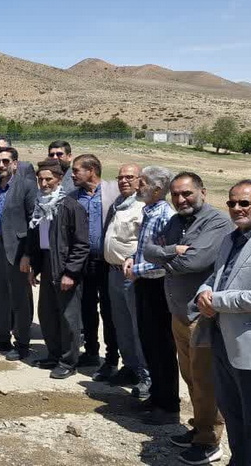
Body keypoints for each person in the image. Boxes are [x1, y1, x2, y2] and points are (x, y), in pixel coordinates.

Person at [193, 180, 251, 466]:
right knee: (231, 409)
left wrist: (216, 301)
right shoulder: (230, 239)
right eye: (232, 203)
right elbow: (217, 277)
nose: (236, 208)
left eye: (244, 203)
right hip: (223, 338)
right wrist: (202, 293)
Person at [142, 172, 230, 456]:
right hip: (178, 313)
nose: (181, 200)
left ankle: (209, 440)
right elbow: (148, 249)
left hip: (200, 316)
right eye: (176, 194)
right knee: (191, 377)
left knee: (205, 381)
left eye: (187, 193)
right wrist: (172, 251)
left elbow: (194, 261)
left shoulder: (216, 222)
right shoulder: (176, 221)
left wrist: (165, 258)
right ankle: (199, 427)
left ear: (202, 192)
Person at [122, 166, 180, 431]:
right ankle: (156, 398)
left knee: (162, 348)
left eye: (143, 182)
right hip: (144, 283)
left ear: (157, 189)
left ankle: (168, 407)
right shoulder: (149, 211)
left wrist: (137, 268)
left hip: (157, 286)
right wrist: (132, 259)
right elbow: (145, 248)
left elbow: (165, 258)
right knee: (149, 343)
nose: (138, 186)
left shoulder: (166, 215)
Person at [24, 159, 89, 379]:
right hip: (46, 264)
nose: (44, 184)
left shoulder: (71, 207)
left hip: (65, 268)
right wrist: (34, 267)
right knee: (47, 313)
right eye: (40, 179)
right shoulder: (40, 205)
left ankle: (68, 361)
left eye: (48, 179)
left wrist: (71, 272)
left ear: (60, 179)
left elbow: (81, 244)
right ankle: (53, 355)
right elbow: (37, 240)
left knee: (68, 317)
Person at [0, 146, 37, 360]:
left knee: (19, 297)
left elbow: (33, 221)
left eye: (5, 161)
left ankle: (22, 343)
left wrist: (28, 254)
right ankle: (2, 338)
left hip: (17, 249)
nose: (1, 165)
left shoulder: (27, 186)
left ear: (15, 163)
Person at [68, 154, 120, 378]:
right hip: (82, 262)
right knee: (86, 309)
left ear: (91, 171)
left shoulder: (113, 192)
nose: (72, 175)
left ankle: (111, 359)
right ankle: (90, 352)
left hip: (107, 262)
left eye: (76, 170)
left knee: (109, 311)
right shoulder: (73, 197)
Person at [101, 164, 150, 397]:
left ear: (141, 180)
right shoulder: (118, 204)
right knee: (121, 324)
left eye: (129, 177)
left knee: (138, 326)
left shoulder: (143, 206)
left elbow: (148, 241)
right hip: (113, 272)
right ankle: (130, 367)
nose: (123, 181)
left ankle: (147, 376)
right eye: (120, 177)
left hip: (133, 275)